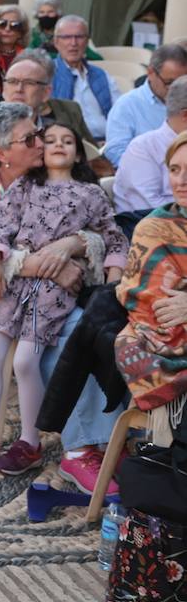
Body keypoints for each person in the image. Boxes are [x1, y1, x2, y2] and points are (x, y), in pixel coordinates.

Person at [0, 104, 124, 490]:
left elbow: (109, 238)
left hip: (54, 296)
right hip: (6, 291)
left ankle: (71, 444)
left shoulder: (87, 193)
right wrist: (10, 259)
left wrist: (78, 249)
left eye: (43, 135)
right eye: (34, 138)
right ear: (2, 153)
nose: (42, 141)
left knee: (57, 347)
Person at [0, 49, 101, 210]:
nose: (19, 89)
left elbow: (87, 181)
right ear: (3, 88)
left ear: (46, 93)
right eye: (13, 81)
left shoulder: (59, 132)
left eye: (29, 83)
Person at [114, 132, 187, 412]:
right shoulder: (153, 228)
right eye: (174, 169)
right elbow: (149, 305)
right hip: (163, 342)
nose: (181, 180)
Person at [114, 76, 187, 229]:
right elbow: (153, 209)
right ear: (185, 116)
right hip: (151, 232)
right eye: (174, 169)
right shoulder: (142, 149)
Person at [104, 43, 187, 165]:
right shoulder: (127, 105)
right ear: (150, 72)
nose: (176, 88)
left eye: (183, 82)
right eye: (169, 82)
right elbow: (116, 152)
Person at [49, 14, 118, 140]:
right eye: (66, 37)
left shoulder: (102, 75)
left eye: (79, 37)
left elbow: (120, 112)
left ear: (86, 41)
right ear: (56, 42)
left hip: (107, 142)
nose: (73, 43)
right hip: (72, 144)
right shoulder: (47, 74)